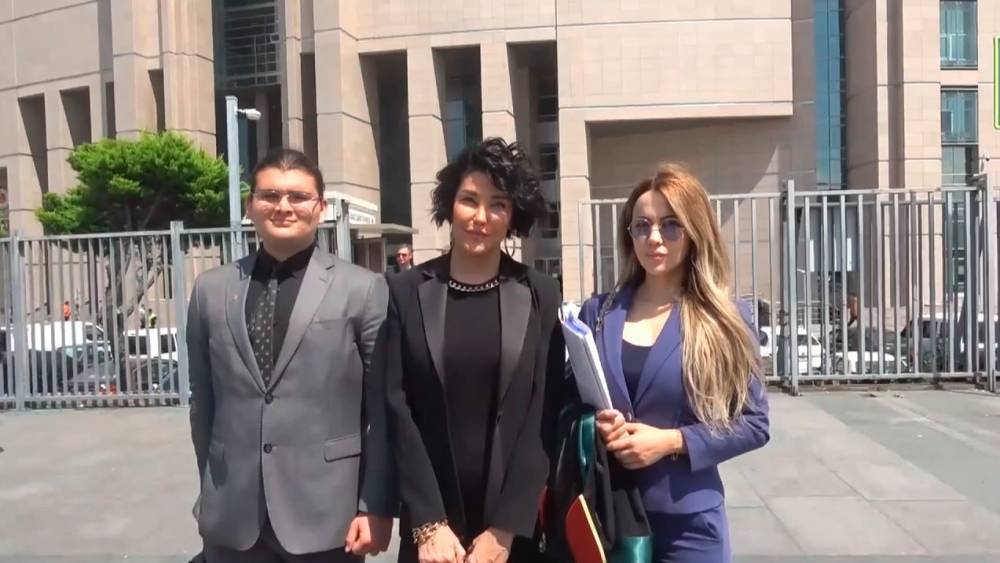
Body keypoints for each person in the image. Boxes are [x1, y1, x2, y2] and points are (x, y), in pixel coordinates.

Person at [187, 148, 395, 562]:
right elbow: (203, 402)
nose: (283, 207)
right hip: (232, 514)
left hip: (328, 515)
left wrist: (375, 504)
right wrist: (212, 486)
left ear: (320, 208)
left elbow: (383, 409)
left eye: (298, 197)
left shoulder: (363, 289)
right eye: (270, 195)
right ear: (250, 206)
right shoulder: (211, 289)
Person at [378, 137, 564, 563]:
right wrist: (428, 522)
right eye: (469, 200)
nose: (481, 217)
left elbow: (544, 410)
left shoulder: (540, 292)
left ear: (512, 215)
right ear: (450, 204)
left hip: (510, 534)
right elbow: (396, 405)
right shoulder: (406, 290)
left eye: (498, 204)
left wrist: (506, 528)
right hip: (430, 531)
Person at [576, 163, 769, 562]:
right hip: (606, 514)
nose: (654, 238)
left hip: (689, 526)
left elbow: (754, 423)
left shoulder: (724, 318)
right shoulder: (597, 313)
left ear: (694, 230)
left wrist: (670, 442)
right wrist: (594, 422)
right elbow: (570, 398)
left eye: (670, 225)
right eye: (642, 226)